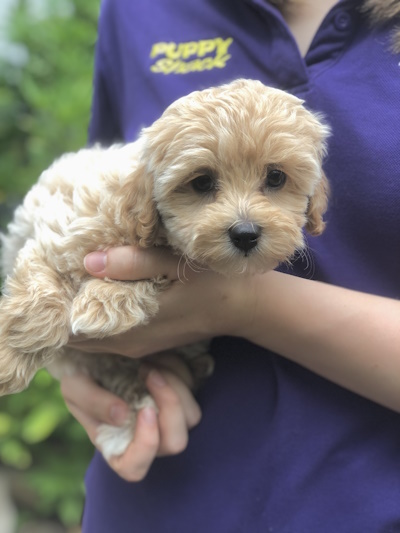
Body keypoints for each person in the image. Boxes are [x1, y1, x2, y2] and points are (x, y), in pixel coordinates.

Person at [61, 0, 400, 531]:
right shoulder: (135, 11)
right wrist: (87, 366)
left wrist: (246, 307)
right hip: (153, 502)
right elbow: (104, 213)